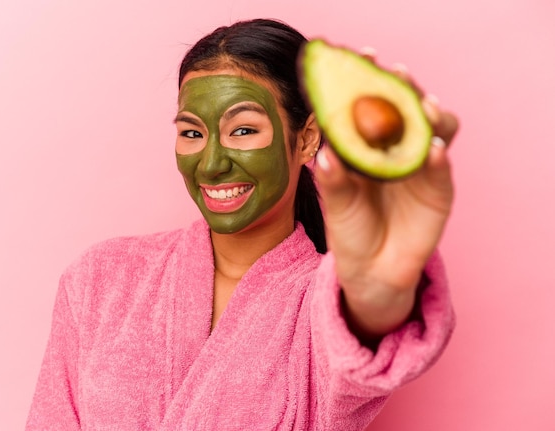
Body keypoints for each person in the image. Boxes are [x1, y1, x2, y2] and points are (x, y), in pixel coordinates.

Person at [26, 18, 459, 430]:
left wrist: (379, 282)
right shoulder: (101, 278)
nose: (211, 165)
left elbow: (363, 328)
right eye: (192, 133)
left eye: (244, 131)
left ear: (306, 138)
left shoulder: (322, 307)